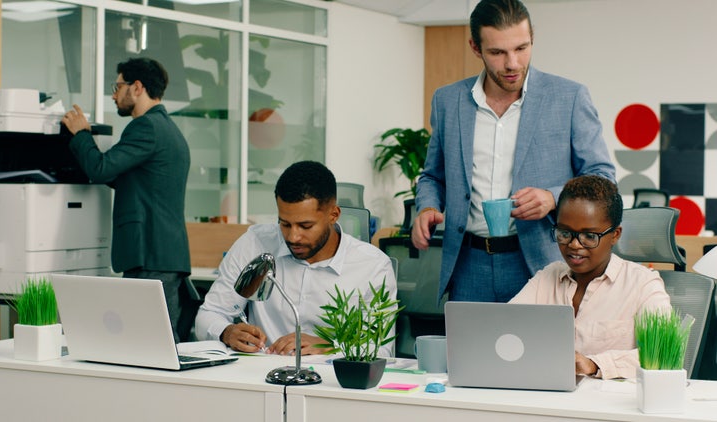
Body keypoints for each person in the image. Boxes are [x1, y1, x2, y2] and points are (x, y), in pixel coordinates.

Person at [412, 0, 616, 303]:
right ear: (475, 47)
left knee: (544, 351)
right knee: (468, 351)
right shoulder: (447, 101)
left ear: (532, 37)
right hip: (468, 264)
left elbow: (603, 179)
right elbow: (432, 175)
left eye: (521, 48)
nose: (513, 64)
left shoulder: (569, 97)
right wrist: (427, 207)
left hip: (541, 261)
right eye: (497, 52)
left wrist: (552, 198)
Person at [195, 161, 397, 356]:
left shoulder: (373, 266)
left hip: (333, 383)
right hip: (259, 377)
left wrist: (329, 346)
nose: (293, 237)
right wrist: (226, 332)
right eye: (284, 224)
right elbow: (209, 314)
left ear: (334, 215)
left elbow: (381, 349)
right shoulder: (255, 242)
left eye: (305, 226)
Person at [60, 57, 193, 342]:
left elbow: (101, 169)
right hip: (162, 254)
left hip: (150, 253)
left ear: (137, 87)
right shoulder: (168, 129)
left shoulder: (145, 127)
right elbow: (121, 177)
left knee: (146, 342)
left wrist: (82, 134)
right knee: (156, 342)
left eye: (117, 86)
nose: (113, 94)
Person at [510, 175, 671, 379]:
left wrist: (595, 364)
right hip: (549, 399)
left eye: (589, 236)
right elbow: (506, 327)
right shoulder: (548, 277)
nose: (574, 245)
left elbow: (664, 358)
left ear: (615, 235)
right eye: (565, 233)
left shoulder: (643, 285)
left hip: (609, 405)